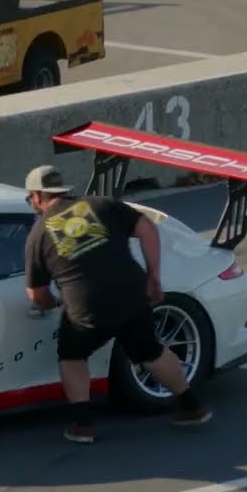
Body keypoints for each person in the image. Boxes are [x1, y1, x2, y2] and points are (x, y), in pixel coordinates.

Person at [21, 164, 212, 444]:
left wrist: (52, 303)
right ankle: (192, 406)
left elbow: (36, 295)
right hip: (131, 295)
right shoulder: (101, 204)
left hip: (87, 308)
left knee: (72, 355)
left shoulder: (38, 234)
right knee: (149, 350)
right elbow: (148, 228)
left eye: (30, 198)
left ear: (38, 196)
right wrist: (153, 276)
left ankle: (83, 425)